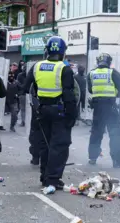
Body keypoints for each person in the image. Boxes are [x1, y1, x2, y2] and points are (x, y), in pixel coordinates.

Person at [24, 36, 77, 194]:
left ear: (47, 50)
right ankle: (53, 178)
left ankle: (45, 176)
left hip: (42, 110)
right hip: (59, 111)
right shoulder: (64, 68)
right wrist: (72, 116)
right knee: (59, 145)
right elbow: (69, 95)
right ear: (63, 52)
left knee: (45, 144)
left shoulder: (36, 66)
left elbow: (26, 88)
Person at [87, 53, 120, 168]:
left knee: (96, 132)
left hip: (97, 107)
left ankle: (92, 157)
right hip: (110, 107)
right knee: (115, 133)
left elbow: (91, 90)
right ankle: (117, 160)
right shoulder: (113, 73)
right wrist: (115, 95)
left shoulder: (91, 73)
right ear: (109, 62)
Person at [16, 62, 27, 127]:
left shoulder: (20, 75)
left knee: (23, 109)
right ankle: (25, 121)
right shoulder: (31, 74)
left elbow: (17, 83)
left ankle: (23, 121)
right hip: (29, 94)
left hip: (22, 94)